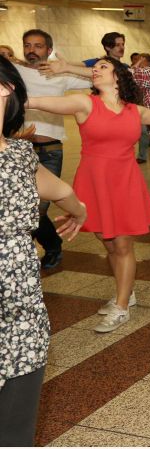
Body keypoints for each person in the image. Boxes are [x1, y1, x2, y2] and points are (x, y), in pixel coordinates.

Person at [27, 59, 150, 331]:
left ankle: (122, 306)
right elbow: (38, 102)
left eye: (103, 66)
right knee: (109, 244)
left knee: (123, 246)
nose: (96, 70)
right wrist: (12, 96)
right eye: (95, 67)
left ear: (118, 77)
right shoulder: (85, 103)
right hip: (94, 185)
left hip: (124, 184)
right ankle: (128, 291)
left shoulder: (135, 111)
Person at [0, 56, 86, 446]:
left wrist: (78, 211)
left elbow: (62, 191)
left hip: (20, 319)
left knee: (14, 433)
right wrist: (78, 211)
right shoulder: (18, 155)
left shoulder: (19, 156)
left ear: (6, 90)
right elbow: (65, 194)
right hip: (19, 314)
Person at [14, 29, 92, 270]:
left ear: (49, 50)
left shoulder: (61, 74)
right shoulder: (16, 71)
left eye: (38, 46)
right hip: (21, 149)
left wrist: (70, 66)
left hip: (50, 150)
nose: (31, 50)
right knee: (24, 207)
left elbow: (97, 77)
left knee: (39, 207)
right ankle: (40, 248)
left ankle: (51, 246)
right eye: (27, 45)